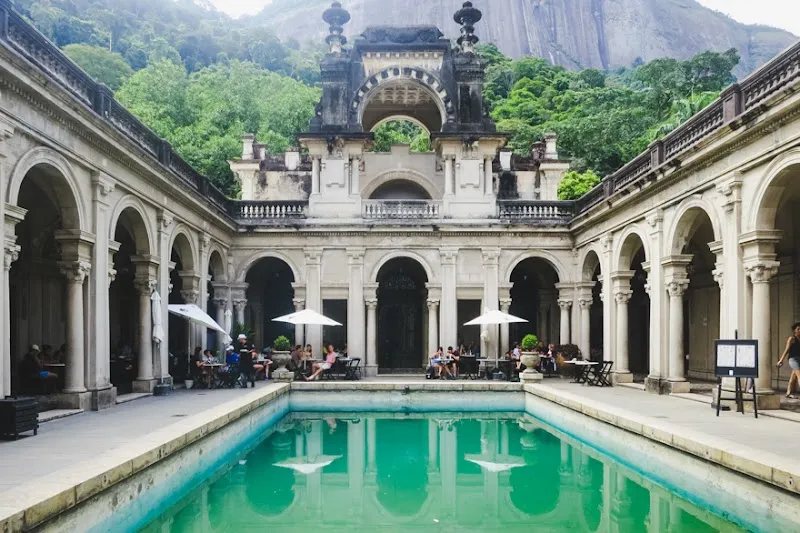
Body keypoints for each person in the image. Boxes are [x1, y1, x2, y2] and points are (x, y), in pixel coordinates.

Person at [777, 322, 800, 399]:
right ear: (794, 330)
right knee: (799, 375)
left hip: (799, 359)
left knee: (793, 376)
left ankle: (788, 392)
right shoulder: (792, 339)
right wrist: (781, 360)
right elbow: (787, 350)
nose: (799, 330)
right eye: (798, 329)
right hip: (793, 359)